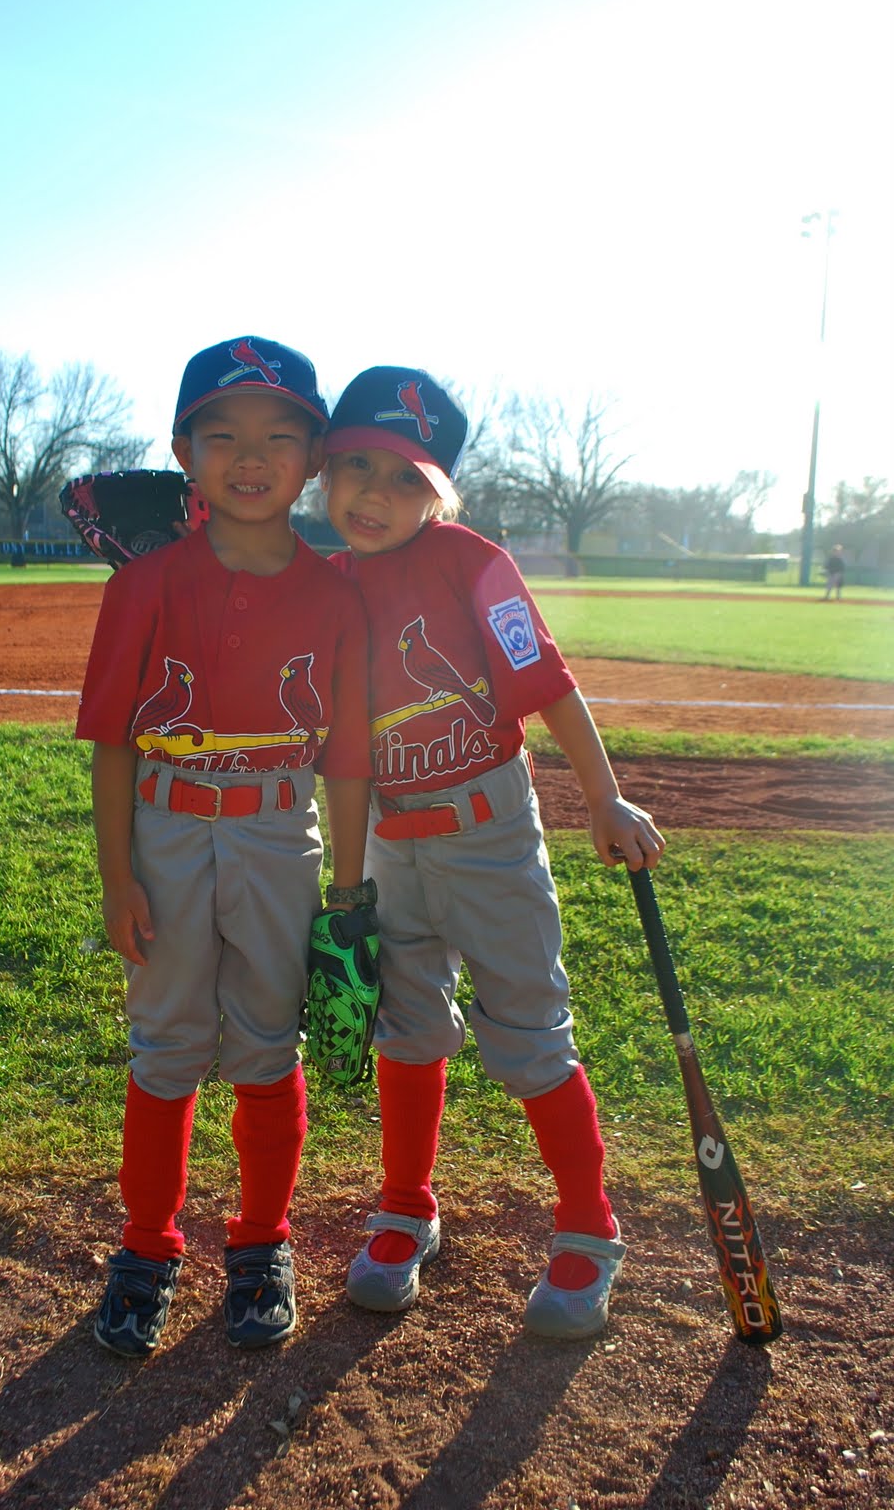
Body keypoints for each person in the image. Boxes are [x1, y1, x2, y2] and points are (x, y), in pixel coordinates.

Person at [320, 366, 665, 1338]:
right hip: (387, 838)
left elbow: (547, 684)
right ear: (324, 472)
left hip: (488, 833)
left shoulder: (473, 563)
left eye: (404, 478)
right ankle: (406, 1206)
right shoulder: (326, 584)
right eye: (357, 467)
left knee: (527, 1027)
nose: (374, 495)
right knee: (405, 1025)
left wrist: (604, 797)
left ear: (438, 495)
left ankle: (589, 1225)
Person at [76, 336, 372, 1357]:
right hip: (164, 826)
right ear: (183, 454)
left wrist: (348, 891)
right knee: (164, 1043)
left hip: (279, 829)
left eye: (280, 437)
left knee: (265, 1043)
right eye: (223, 436)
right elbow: (114, 743)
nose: (251, 457)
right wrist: (118, 877)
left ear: (314, 457)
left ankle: (261, 1240)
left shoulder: (337, 595)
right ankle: (146, 1244)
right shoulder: (143, 585)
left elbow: (345, 759)